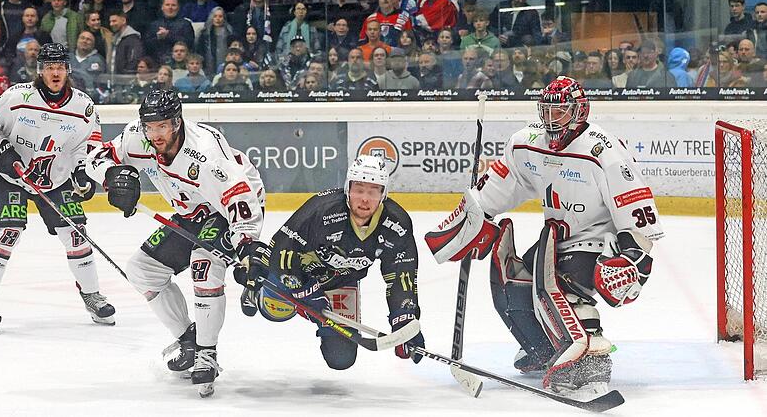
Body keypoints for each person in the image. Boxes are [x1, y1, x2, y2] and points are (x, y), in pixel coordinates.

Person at [426, 76, 663, 393]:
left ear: (579, 111)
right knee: (512, 283)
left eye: (560, 112)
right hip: (556, 240)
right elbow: (499, 187)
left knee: (561, 283)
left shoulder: (603, 150)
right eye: (547, 112)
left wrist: (633, 260)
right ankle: (545, 349)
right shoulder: (527, 143)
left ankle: (592, 358)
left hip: (599, 243)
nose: (552, 120)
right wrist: (473, 217)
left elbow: (637, 212)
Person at [85, 89, 266, 397]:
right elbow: (95, 158)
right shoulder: (137, 136)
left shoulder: (205, 152)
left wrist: (246, 243)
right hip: (191, 211)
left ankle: (207, 353)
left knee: (203, 267)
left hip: (227, 210)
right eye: (150, 126)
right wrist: (112, 176)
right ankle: (189, 341)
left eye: (163, 126)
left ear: (177, 123)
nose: (155, 134)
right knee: (142, 270)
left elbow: (238, 196)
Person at [0, 42, 115, 334]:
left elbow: (88, 144)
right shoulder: (18, 96)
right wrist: (1, 152)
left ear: (68, 70)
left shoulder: (83, 105)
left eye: (60, 67)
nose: (55, 73)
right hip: (12, 176)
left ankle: (92, 295)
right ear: (40, 70)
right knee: (7, 233)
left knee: (76, 235)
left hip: (55, 179)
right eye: (50, 67)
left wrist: (83, 171)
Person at [238, 155, 425, 371]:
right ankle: (257, 292)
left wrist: (404, 321)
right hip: (301, 274)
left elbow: (402, 276)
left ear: (384, 194)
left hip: (341, 282)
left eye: (373, 191)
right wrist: (305, 292)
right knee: (275, 311)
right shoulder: (322, 210)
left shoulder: (397, 224)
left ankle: (311, 309)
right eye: (359, 190)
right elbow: (282, 250)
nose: (365, 199)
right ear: (348, 188)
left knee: (341, 358)